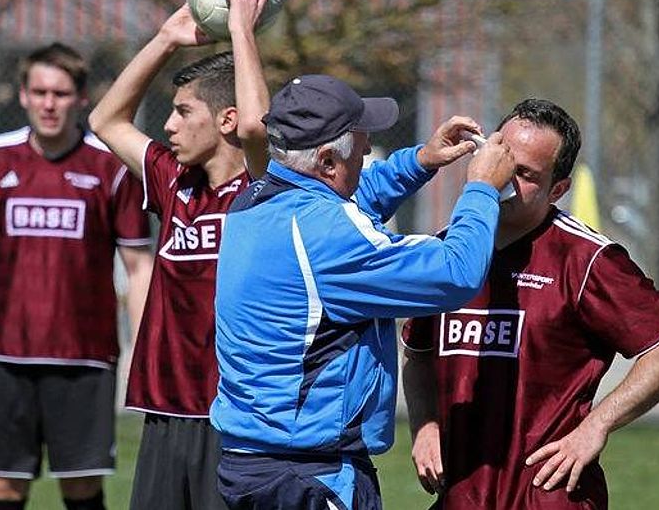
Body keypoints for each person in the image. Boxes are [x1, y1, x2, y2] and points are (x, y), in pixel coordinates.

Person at [209, 73, 517, 510]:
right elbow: (456, 273)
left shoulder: (256, 199)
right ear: (328, 162)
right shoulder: (327, 235)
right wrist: (482, 188)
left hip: (255, 466)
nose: (370, 149)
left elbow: (348, 202)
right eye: (360, 141)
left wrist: (421, 161)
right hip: (308, 476)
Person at [401, 98, 659, 509]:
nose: (504, 177)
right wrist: (426, 424)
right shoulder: (446, 251)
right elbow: (417, 356)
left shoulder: (587, 259)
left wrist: (596, 427)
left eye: (525, 174)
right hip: (462, 494)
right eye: (501, 158)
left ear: (558, 189)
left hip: (548, 497)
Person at [0, 42, 154, 510]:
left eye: (61, 93)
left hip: (84, 355)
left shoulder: (111, 166)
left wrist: (139, 353)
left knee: (82, 487)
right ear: (22, 95)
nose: (49, 103)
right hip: (4, 351)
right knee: (3, 487)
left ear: (81, 99)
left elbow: (138, 266)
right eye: (39, 91)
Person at [86, 0, 271, 509]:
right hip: (166, 406)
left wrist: (241, 31)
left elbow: (258, 124)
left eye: (183, 112)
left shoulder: (264, 188)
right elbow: (105, 119)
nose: (167, 126)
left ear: (226, 119)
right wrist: (165, 39)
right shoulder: (172, 181)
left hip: (235, 413)